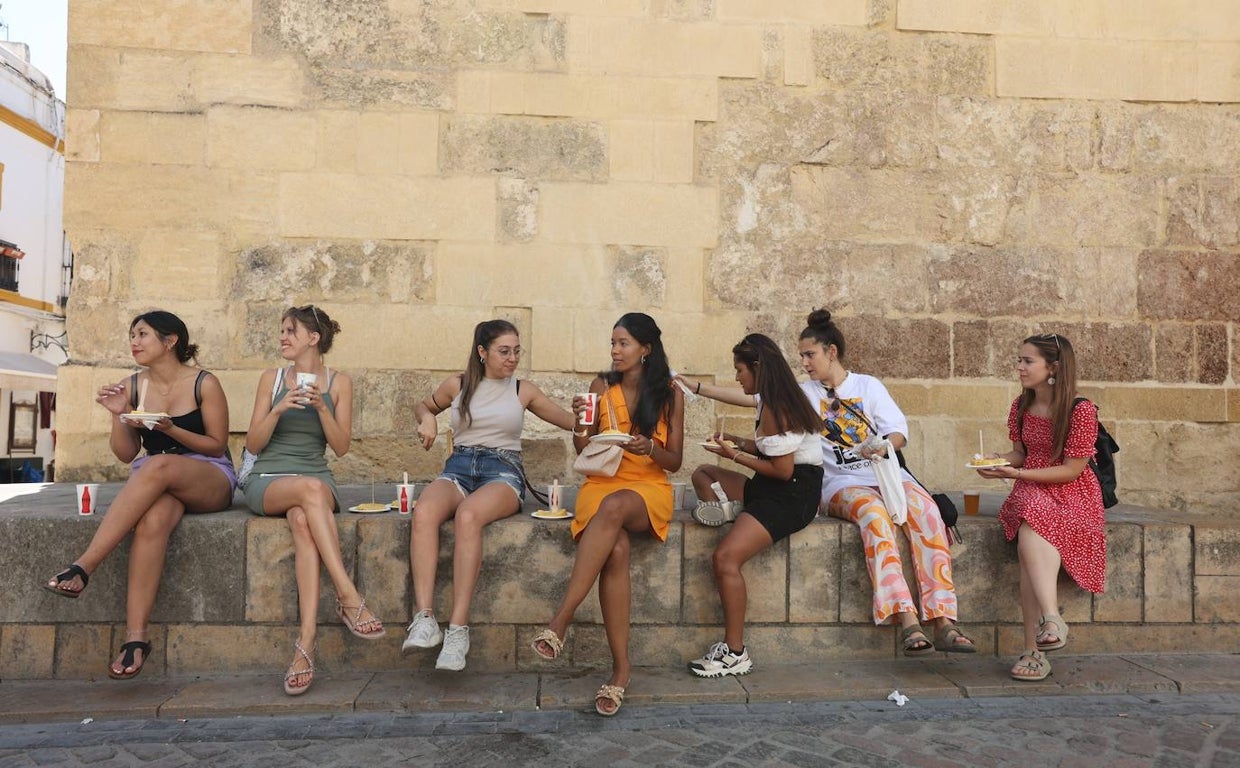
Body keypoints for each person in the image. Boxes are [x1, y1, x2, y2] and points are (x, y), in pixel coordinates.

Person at [44, 311, 236, 680]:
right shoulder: (131, 386)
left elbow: (216, 445)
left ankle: (84, 566)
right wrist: (119, 415)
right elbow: (125, 454)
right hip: (155, 479)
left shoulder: (204, 383)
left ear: (170, 341)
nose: (134, 342)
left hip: (208, 477)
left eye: (143, 334)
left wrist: (169, 428)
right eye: (132, 334)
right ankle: (136, 639)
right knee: (152, 521)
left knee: (158, 466)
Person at [530, 312, 685, 716]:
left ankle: (561, 618)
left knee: (615, 508)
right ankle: (621, 670)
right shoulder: (600, 386)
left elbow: (675, 460)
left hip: (646, 488)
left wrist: (647, 447)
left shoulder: (670, 393)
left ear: (646, 349)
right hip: (600, 483)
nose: (615, 351)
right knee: (614, 549)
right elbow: (584, 449)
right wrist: (580, 421)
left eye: (624, 344)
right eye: (613, 343)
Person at [797, 309, 976, 656]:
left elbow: (898, 432)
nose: (804, 362)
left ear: (831, 352)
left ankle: (943, 620)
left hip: (886, 476)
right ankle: (907, 619)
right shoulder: (803, 394)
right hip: (839, 484)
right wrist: (698, 386)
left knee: (925, 512)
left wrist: (883, 446)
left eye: (810, 354)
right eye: (802, 355)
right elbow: (757, 399)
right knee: (875, 516)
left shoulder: (867, 386)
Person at [403, 320, 575, 671]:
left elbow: (572, 422)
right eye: (504, 351)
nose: (512, 358)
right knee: (424, 512)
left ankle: (458, 630)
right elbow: (423, 406)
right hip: (458, 467)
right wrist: (427, 420)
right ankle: (425, 619)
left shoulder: (522, 390)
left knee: (468, 515)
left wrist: (597, 415)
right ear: (482, 352)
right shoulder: (458, 385)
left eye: (516, 351)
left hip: (502, 472)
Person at [241, 305, 384, 696]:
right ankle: (347, 593)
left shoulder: (339, 382)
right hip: (268, 479)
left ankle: (305, 645)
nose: (283, 337)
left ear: (313, 338)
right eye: (282, 330)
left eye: (291, 330)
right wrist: (279, 408)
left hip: (316, 478)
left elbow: (339, 447)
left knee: (304, 520)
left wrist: (322, 408)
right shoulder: (271, 379)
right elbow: (253, 443)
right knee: (312, 492)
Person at [679, 334, 824, 678]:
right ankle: (731, 511)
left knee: (724, 557)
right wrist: (734, 444)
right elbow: (770, 452)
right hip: (772, 485)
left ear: (757, 368)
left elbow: (783, 468)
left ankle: (734, 653)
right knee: (703, 474)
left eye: (739, 370)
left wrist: (736, 455)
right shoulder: (767, 399)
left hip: (791, 495)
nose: (737, 377)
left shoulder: (780, 406)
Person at [976, 333, 1106, 682]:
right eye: (1019, 360)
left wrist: (1018, 472)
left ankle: (1035, 647)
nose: (1019, 367)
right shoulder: (1021, 406)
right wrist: (996, 462)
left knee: (1030, 530)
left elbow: (1073, 469)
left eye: (1027, 361)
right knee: (1031, 518)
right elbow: (1020, 452)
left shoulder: (1080, 410)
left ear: (1054, 367)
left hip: (1073, 492)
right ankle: (1050, 623)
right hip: (1031, 485)